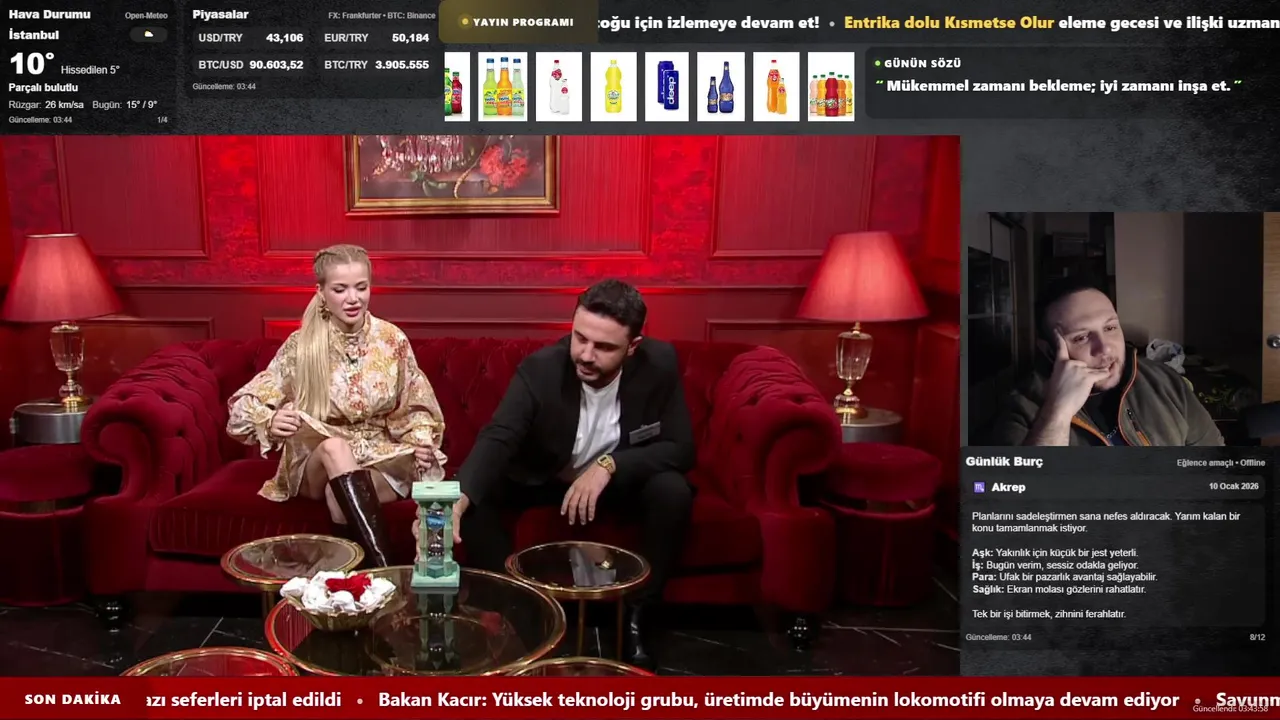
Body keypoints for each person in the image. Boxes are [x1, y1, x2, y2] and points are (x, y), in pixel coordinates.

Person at [449, 279, 695, 668]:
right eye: (580, 338)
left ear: (633, 347)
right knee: (479, 497)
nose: (585, 354)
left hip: (614, 485)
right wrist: (458, 500)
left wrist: (609, 465)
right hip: (545, 478)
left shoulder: (659, 363)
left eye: (604, 347)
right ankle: (524, 613)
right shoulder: (541, 370)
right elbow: (500, 435)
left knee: (673, 490)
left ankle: (635, 618)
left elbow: (681, 448)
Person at [227, 244, 447, 566]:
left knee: (337, 496)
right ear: (321, 292)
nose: (353, 298)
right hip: (317, 461)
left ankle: (368, 580)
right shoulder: (302, 346)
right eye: (340, 289)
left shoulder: (392, 339)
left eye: (361, 287)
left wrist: (421, 441)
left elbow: (415, 405)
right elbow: (241, 410)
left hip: (377, 456)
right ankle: (387, 575)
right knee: (335, 448)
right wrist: (269, 421)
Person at [987, 275, 1223, 447]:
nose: (1105, 348)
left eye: (1110, 328)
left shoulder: (1165, 381)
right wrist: (1058, 412)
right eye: (1081, 337)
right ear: (1049, 351)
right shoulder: (1021, 411)